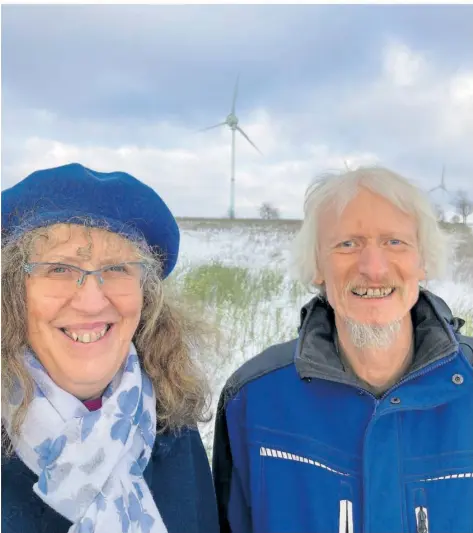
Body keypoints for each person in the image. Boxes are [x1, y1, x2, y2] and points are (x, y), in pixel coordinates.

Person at [213, 167, 473, 533]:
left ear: (423, 261)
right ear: (318, 265)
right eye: (347, 244)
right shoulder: (253, 400)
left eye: (394, 242)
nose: (373, 268)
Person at [2, 163, 219, 533]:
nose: (91, 302)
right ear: (12, 294)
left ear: (146, 295)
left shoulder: (173, 429)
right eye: (59, 269)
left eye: (117, 268)